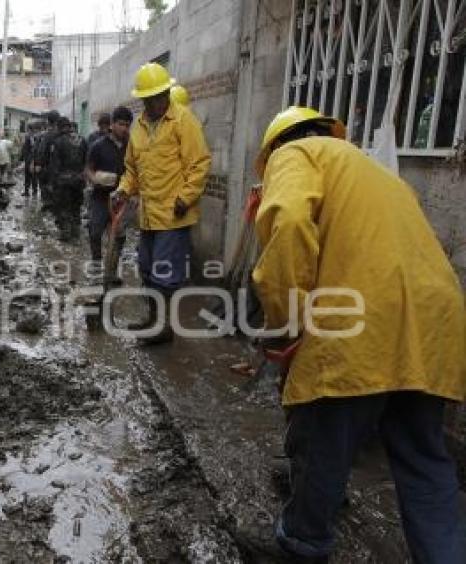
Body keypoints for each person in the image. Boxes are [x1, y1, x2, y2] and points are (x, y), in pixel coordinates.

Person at [240, 105, 466, 563]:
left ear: (275, 147)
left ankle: (301, 543)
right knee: (425, 461)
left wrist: (284, 323)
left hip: (361, 318)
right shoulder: (379, 175)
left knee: (325, 435)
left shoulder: (296, 154)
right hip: (434, 322)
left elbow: (288, 225)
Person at [110, 62, 211, 346]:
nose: (157, 102)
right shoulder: (139, 128)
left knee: (165, 272)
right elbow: (132, 170)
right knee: (146, 267)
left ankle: (164, 327)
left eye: (160, 96)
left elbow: (199, 163)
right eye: (150, 98)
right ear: (143, 99)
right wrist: (122, 190)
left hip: (173, 214)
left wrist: (185, 198)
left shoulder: (183, 121)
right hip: (149, 215)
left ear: (167, 92)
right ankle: (153, 320)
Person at [85, 106, 133, 284]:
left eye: (128, 125)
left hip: (121, 200)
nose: (124, 129)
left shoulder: (131, 147)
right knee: (95, 232)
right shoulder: (98, 146)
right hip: (100, 197)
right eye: (121, 124)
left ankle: (111, 272)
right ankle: (97, 267)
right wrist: (95, 179)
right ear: (112, 125)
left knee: (119, 237)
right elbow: (88, 169)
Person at [47, 117, 87, 242]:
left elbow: (55, 165)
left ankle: (65, 233)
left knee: (64, 207)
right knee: (76, 206)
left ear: (59, 127)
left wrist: (53, 183)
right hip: (79, 180)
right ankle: (76, 232)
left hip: (63, 181)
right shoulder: (82, 140)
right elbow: (87, 161)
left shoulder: (58, 142)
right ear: (69, 126)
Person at [32, 110, 61, 210]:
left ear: (48, 121)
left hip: (48, 167)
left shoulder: (47, 135)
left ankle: (48, 204)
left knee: (45, 186)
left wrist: (38, 164)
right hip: (61, 168)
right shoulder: (63, 134)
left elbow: (41, 151)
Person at [19, 122, 40, 197]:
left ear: (29, 129)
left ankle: (30, 191)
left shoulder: (30, 137)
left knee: (30, 176)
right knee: (31, 176)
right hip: (31, 159)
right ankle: (30, 191)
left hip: (30, 159)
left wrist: (23, 158)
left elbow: (28, 149)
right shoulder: (33, 136)